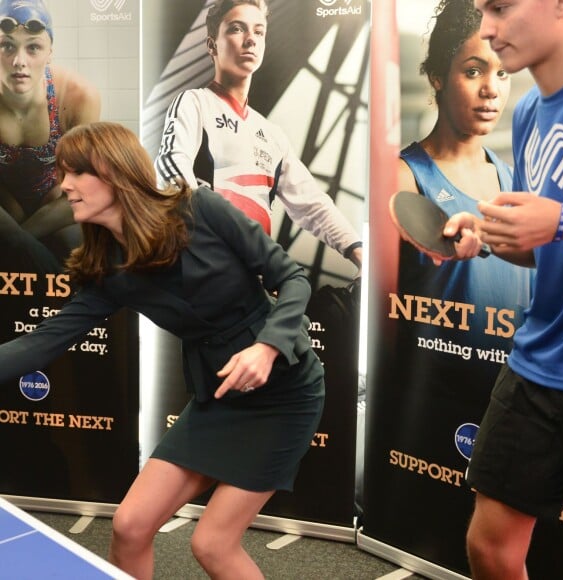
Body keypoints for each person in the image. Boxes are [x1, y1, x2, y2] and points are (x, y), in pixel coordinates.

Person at [0, 121, 325, 580]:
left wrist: (268, 347)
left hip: (285, 392)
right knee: (130, 526)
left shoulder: (201, 208)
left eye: (76, 173)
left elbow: (292, 278)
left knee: (212, 545)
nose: (64, 185)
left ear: (114, 172)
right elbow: (41, 342)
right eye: (63, 173)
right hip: (219, 398)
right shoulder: (107, 270)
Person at [428, 1, 563, 578]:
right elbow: (540, 243)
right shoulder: (531, 113)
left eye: (500, 7)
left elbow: (561, 226)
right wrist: (488, 234)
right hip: (537, 363)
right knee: (489, 549)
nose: (488, 29)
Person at [154, 0, 363, 273]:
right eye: (237, 29)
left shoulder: (272, 134)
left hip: (253, 282)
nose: (250, 40)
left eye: (259, 31)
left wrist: (358, 250)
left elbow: (313, 205)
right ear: (211, 45)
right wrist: (205, 237)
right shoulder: (194, 103)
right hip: (203, 274)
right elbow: (171, 167)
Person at [398, 0, 533, 341]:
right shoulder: (405, 177)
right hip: (434, 387)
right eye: (474, 71)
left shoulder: (518, 181)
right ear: (438, 77)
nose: (491, 89)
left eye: (502, 73)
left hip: (512, 387)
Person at [0, 0, 100, 272]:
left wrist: (22, 236)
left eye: (33, 47)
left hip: (56, 200)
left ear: (49, 52)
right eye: (7, 45)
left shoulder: (76, 96)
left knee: (78, 257)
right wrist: (17, 235)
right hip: (3, 202)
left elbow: (83, 188)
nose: (19, 61)